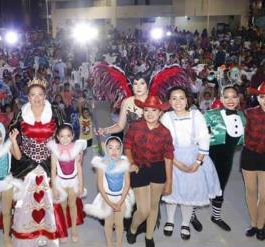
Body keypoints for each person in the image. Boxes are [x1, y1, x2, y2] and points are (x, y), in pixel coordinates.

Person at [160, 86, 221, 240]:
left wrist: (198, 162)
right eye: (174, 98)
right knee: (172, 190)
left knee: (190, 191)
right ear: (169, 101)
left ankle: (186, 223)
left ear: (187, 99)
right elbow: (163, 143)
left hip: (194, 157)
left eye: (181, 97)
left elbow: (204, 138)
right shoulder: (166, 117)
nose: (178, 101)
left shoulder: (196, 115)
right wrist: (176, 163)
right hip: (172, 158)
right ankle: (170, 220)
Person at [10, 77, 64, 246]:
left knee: (48, 197)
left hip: (49, 161)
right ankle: (26, 234)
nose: (37, 98)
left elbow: (64, 133)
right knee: (25, 198)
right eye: (33, 95)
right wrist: (14, 144)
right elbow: (12, 133)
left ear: (45, 95)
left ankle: (48, 233)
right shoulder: (21, 113)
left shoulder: (54, 112)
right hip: (26, 162)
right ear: (28, 97)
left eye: (40, 94)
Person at [124, 96, 174, 247]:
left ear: (160, 112)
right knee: (143, 210)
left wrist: (169, 182)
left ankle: (149, 236)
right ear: (142, 111)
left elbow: (169, 156)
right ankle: (132, 229)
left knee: (154, 206)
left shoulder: (165, 132)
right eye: (146, 110)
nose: (150, 113)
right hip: (139, 168)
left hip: (158, 169)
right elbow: (127, 145)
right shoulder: (135, 127)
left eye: (154, 110)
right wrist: (131, 162)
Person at [204, 85, 246, 231]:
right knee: (200, 188)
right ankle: (190, 218)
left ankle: (216, 217)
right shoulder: (211, 114)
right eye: (226, 97)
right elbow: (199, 135)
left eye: (234, 96)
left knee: (220, 188)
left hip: (227, 161)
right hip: (208, 159)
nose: (230, 100)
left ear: (238, 98)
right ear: (221, 99)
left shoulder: (243, 117)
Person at [84, 136, 134, 247]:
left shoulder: (124, 163)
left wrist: (121, 201)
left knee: (119, 223)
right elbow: (100, 186)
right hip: (107, 198)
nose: (114, 151)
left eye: (117, 148)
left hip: (121, 197)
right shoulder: (102, 164)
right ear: (106, 149)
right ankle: (110, 244)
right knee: (109, 223)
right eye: (111, 148)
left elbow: (127, 184)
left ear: (121, 149)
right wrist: (109, 202)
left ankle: (119, 244)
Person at [47, 124, 87, 243]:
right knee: (63, 206)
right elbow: (53, 170)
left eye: (68, 136)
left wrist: (81, 184)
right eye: (62, 136)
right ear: (58, 137)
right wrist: (54, 188)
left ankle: (74, 229)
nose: (65, 139)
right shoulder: (55, 151)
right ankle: (64, 228)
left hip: (73, 181)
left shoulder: (76, 149)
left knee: (72, 204)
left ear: (73, 136)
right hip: (61, 182)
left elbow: (79, 168)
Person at [241, 82, 265, 241]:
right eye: (262, 97)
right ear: (257, 97)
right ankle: (254, 224)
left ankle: (261, 225)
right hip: (249, 156)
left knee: (264, 196)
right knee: (250, 192)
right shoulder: (249, 113)